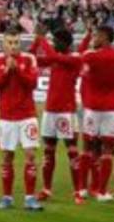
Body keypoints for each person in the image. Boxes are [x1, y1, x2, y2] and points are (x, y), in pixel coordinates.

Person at [0, 29, 42, 211]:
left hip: (27, 116)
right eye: (9, 42)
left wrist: (16, 69)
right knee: (6, 157)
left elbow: (33, 83)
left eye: (16, 42)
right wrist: (6, 72)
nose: (13, 46)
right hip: (6, 118)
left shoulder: (29, 59)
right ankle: (7, 198)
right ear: (3, 44)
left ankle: (30, 198)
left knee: (30, 155)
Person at [77, 23, 114, 202]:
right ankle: (102, 192)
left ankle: (82, 189)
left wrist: (87, 41)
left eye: (96, 36)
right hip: (111, 109)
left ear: (104, 37)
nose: (94, 39)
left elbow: (81, 57)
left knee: (87, 147)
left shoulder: (91, 56)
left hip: (92, 107)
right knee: (107, 150)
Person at [31, 27, 83, 203]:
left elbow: (52, 56)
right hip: (50, 110)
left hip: (66, 112)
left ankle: (77, 191)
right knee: (48, 151)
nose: (53, 44)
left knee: (72, 152)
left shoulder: (74, 59)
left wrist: (42, 39)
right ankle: (46, 189)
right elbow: (33, 59)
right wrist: (37, 41)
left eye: (55, 41)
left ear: (64, 43)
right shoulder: (55, 58)